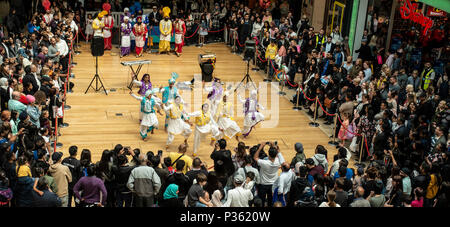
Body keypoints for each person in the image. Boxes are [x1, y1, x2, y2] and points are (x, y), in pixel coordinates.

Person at [253, 142, 285, 207]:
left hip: (263, 184)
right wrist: (274, 147)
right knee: (271, 201)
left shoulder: (264, 162)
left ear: (269, 155)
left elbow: (255, 157)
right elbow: (280, 158)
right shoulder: (278, 161)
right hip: (273, 184)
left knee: (261, 200)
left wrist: (260, 148)